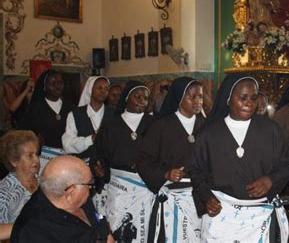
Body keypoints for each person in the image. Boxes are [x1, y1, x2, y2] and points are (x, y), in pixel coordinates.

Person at [189, 74, 289, 242]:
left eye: (253, 98)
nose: (249, 103)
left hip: (260, 217)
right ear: (229, 99)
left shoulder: (271, 130)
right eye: (242, 97)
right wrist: (206, 197)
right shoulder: (209, 134)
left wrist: (270, 180)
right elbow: (196, 171)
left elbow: (287, 164)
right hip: (222, 216)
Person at [138, 77, 205, 242]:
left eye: (200, 96)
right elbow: (144, 160)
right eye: (191, 96)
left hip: (201, 197)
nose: (197, 101)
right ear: (178, 97)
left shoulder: (207, 126)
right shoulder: (161, 126)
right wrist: (166, 173)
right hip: (172, 199)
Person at [92, 81, 155, 243]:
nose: (142, 100)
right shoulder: (110, 125)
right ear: (126, 98)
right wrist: (100, 170)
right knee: (118, 227)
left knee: (146, 229)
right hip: (119, 187)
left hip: (146, 187)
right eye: (137, 96)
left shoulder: (155, 124)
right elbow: (100, 155)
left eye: (145, 98)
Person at [10, 155, 112, 242]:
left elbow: (97, 218)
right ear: (70, 194)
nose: (91, 187)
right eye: (89, 183)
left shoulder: (80, 198)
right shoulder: (35, 233)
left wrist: (106, 234)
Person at [62, 76, 113, 161]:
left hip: (107, 165)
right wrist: (90, 139)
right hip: (83, 165)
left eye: (106, 89)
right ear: (90, 89)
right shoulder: (75, 114)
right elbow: (67, 144)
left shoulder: (114, 114)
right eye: (99, 88)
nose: (103, 91)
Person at [0, 131, 39, 240]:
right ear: (14, 161)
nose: (36, 159)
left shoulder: (43, 181)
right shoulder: (4, 191)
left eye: (37, 154)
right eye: (30, 155)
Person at [19, 70, 73, 149]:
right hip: (44, 154)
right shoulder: (35, 108)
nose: (57, 87)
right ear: (44, 87)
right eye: (53, 83)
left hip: (67, 153)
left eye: (60, 83)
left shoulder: (70, 107)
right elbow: (24, 133)